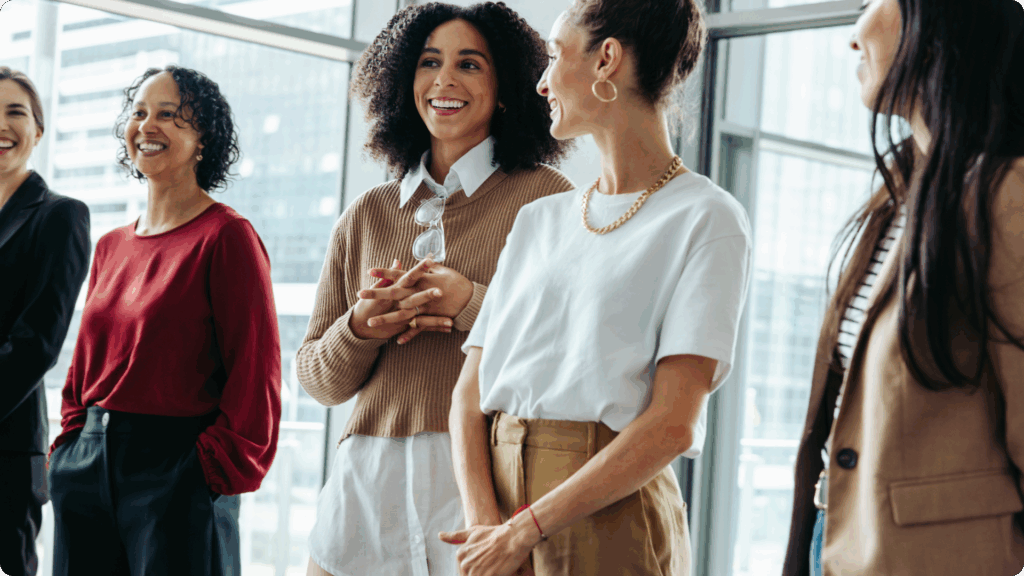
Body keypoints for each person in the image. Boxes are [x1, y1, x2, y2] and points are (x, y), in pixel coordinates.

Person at [443, 0, 752, 574]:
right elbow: (469, 393)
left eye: (555, 54)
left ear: (607, 59)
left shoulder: (706, 218)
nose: (541, 82)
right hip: (498, 515)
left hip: (613, 516)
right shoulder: (539, 219)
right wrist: (490, 526)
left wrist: (524, 528)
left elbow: (672, 422)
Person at [294, 3, 573, 575]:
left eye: (469, 64)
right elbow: (317, 380)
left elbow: (568, 345)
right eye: (429, 62)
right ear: (405, 81)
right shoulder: (367, 213)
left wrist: (469, 302)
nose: (444, 80)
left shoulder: (549, 199)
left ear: (504, 90)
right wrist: (360, 329)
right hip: (367, 481)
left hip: (485, 476)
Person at [781, 1, 1024, 575]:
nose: (853, 36)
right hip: (838, 534)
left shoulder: (1005, 195)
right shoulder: (901, 191)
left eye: (872, 2)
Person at [47, 65, 281, 576]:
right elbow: (82, 369)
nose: (147, 126)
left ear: (203, 139)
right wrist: (67, 449)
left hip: (178, 472)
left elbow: (256, 372)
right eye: (139, 112)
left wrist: (209, 471)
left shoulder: (227, 237)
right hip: (87, 465)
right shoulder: (110, 246)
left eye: (169, 116)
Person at [0, 67, 90, 576]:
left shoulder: (59, 216)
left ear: (38, 130)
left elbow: (37, 342)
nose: (1, 126)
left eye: (15, 113)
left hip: (5, 455)